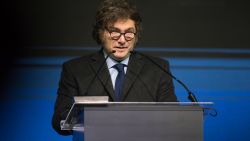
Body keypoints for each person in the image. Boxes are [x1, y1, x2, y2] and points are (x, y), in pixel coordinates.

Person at [52, 0, 178, 135]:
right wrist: (89, 118)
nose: (122, 40)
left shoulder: (158, 68)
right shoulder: (75, 69)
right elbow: (60, 120)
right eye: (115, 32)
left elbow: (174, 118)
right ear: (100, 33)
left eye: (129, 33)